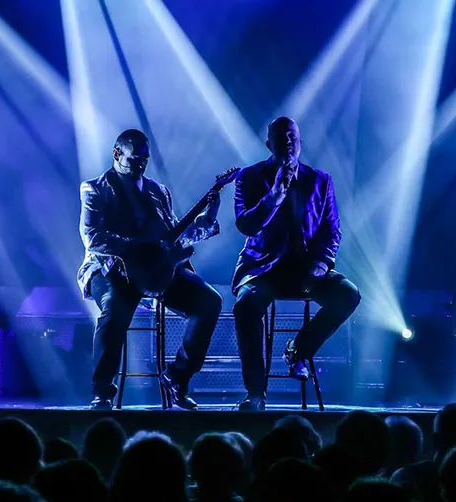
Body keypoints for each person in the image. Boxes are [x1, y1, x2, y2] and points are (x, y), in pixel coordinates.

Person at [78, 129, 223, 411]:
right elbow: (93, 237)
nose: (140, 165)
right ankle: (102, 392)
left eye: (144, 159)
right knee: (114, 307)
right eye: (134, 159)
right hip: (110, 270)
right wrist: (142, 246)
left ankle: (179, 376)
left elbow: (177, 236)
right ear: (116, 154)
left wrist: (209, 217)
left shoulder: (159, 191)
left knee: (210, 301)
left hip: (160, 271)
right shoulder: (94, 188)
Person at [232, 117, 361, 412]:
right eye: (281, 138)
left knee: (348, 294)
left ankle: (298, 351)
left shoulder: (320, 180)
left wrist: (323, 261)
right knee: (245, 306)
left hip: (306, 268)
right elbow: (246, 225)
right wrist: (274, 195)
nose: (288, 142)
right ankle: (255, 393)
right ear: (269, 144)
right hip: (262, 268)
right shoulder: (249, 178)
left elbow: (332, 230)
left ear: (300, 142)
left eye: (293, 137)